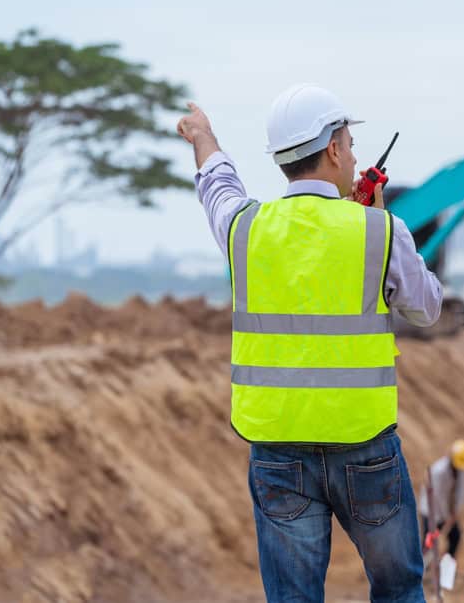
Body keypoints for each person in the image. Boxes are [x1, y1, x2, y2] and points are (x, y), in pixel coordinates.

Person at [176, 83, 443, 603]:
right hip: (365, 445)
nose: (354, 155)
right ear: (336, 150)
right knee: (399, 590)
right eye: (350, 142)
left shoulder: (245, 229)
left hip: (277, 450)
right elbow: (427, 307)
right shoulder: (378, 230)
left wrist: (204, 138)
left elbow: (218, 185)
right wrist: (381, 221)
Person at [418, 440, 464, 560]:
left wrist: (455, 513)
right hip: (431, 511)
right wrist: (447, 518)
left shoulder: (460, 469)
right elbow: (437, 498)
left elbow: (460, 492)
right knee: (429, 542)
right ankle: (422, 570)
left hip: (447, 512)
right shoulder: (439, 472)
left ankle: (448, 565)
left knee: (455, 536)